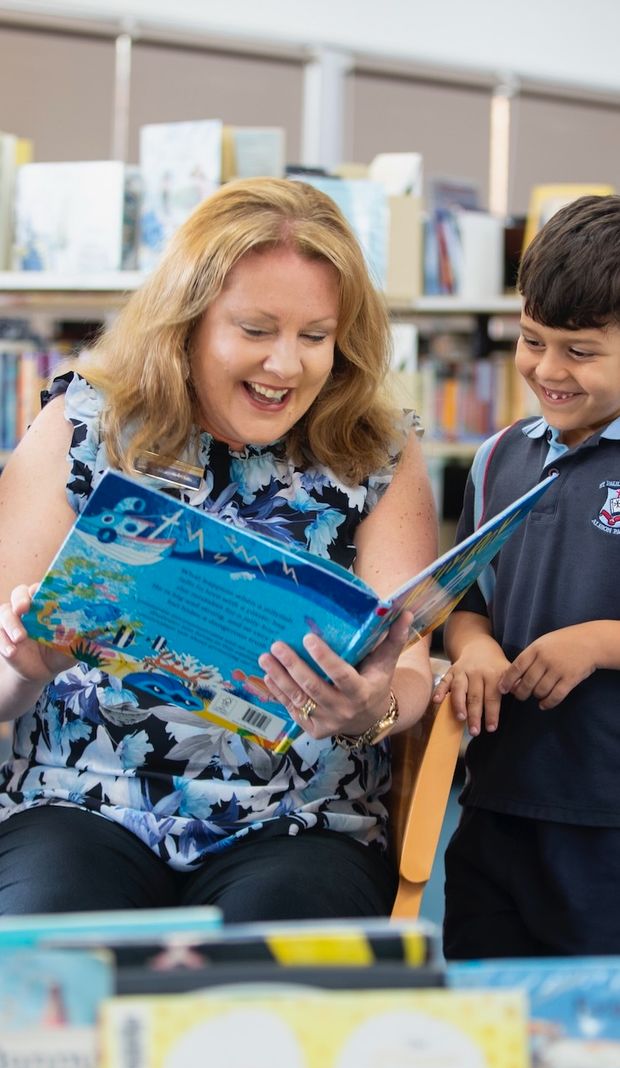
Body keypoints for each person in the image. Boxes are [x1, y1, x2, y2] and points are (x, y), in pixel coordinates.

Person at [0, 176, 437, 922]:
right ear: (189, 322)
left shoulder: (378, 454)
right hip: (79, 801)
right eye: (256, 330)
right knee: (54, 938)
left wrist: (371, 709)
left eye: (315, 336)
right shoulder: (80, 429)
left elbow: (414, 673)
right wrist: (25, 671)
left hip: (299, 819)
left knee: (277, 973)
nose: (286, 367)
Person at [434, 193, 620, 958]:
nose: (547, 369)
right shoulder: (497, 457)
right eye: (532, 340)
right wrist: (472, 644)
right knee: (489, 1024)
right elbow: (465, 597)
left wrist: (600, 642)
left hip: (608, 820)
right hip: (499, 803)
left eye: (580, 350)